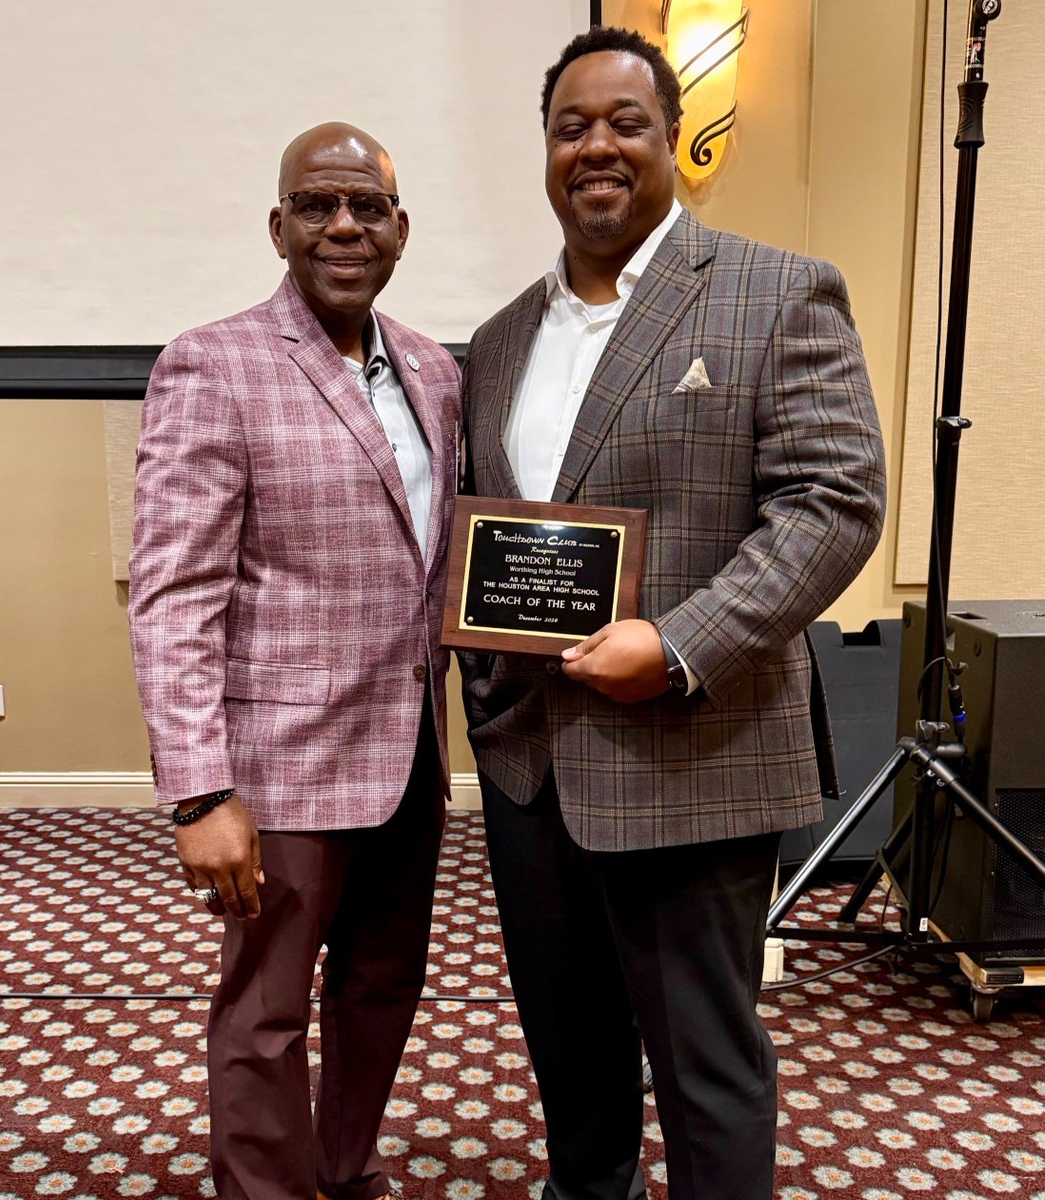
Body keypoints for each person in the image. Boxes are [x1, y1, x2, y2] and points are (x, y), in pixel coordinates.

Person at [459, 27, 886, 1200]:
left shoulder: (773, 289)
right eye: (570, 127)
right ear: (545, 152)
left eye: (624, 122)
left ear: (672, 140)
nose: (595, 147)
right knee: (573, 1065)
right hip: (530, 769)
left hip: (694, 753)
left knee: (707, 1070)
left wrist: (682, 643)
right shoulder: (497, 343)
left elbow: (833, 502)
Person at [128, 123, 461, 1200]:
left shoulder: (432, 371)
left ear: (401, 230)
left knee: (380, 990)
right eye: (317, 205)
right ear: (279, 226)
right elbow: (174, 591)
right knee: (265, 1015)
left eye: (366, 207)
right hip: (278, 773)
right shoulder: (212, 363)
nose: (344, 225)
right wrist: (200, 790)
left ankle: (342, 1169)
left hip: (410, 754)